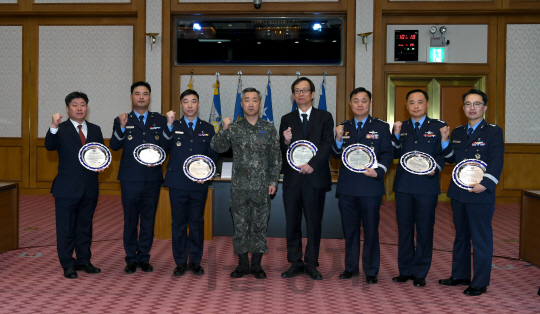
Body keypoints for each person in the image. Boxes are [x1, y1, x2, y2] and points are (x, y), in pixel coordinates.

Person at [210, 87, 281, 279]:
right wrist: (224, 130)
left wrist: (273, 180)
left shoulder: (268, 128)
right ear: (241, 104)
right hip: (239, 188)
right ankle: (242, 264)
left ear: (260, 104)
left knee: (259, 225)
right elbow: (217, 146)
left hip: (261, 187)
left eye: (254, 100)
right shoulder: (234, 128)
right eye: (247, 100)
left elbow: (276, 157)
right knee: (240, 226)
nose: (250, 104)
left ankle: (256, 265)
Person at [438, 89, 504, 296]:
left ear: (484, 107)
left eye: (476, 104)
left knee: (480, 238)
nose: (472, 108)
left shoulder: (493, 131)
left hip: (481, 192)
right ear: (463, 107)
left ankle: (480, 282)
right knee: (461, 236)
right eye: (468, 104)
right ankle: (460, 274)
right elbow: (451, 159)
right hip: (459, 192)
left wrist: (486, 183)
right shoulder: (457, 132)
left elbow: (497, 159)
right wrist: (445, 141)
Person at [109, 81, 173, 274]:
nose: (141, 97)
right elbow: (114, 145)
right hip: (130, 178)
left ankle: (144, 257)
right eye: (137, 94)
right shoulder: (122, 119)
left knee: (148, 219)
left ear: (150, 97)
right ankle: (131, 258)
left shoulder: (160, 120)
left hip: (152, 178)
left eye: (145, 94)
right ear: (131, 97)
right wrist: (121, 128)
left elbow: (166, 145)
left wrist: (169, 127)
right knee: (130, 220)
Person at [331, 87, 392, 284]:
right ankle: (350, 267)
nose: (359, 104)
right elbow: (334, 155)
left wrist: (379, 171)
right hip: (348, 187)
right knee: (350, 230)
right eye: (355, 101)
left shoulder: (381, 127)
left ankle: (371, 270)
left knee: (371, 230)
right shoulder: (343, 127)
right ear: (350, 104)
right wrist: (338, 139)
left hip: (370, 187)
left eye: (363, 101)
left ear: (370, 103)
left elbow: (387, 154)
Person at [45, 91, 104, 279]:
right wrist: (53, 126)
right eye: (75, 105)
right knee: (66, 227)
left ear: (87, 107)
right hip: (67, 188)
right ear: (67, 108)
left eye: (83, 105)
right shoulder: (60, 129)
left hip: (90, 186)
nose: (79, 108)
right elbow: (49, 145)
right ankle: (67, 263)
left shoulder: (95, 129)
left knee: (85, 226)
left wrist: (100, 164)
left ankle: (84, 260)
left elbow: (100, 153)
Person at [279, 77, 334, 280]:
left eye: (304, 90)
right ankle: (295, 262)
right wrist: (285, 141)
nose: (300, 94)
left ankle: (311, 263)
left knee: (313, 222)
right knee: (292, 223)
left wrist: (313, 164)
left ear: (312, 94)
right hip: (293, 180)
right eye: (297, 91)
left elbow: (328, 144)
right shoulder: (287, 118)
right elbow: (283, 148)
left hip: (315, 178)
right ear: (293, 95)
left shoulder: (325, 117)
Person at [391, 89, 447, 287]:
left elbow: (444, 155)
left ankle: (420, 272)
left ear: (427, 105)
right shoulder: (401, 127)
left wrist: (436, 168)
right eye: (412, 103)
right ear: (406, 105)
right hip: (404, 186)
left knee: (424, 230)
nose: (416, 106)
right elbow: (394, 153)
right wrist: (396, 136)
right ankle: (405, 270)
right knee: (404, 229)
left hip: (427, 186)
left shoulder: (439, 127)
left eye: (420, 102)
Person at [163, 89, 217, 277]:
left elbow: (212, 155)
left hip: (198, 183)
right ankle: (180, 261)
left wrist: (207, 173)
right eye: (186, 102)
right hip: (177, 183)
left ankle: (194, 260)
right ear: (180, 105)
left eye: (193, 101)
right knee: (178, 223)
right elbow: (163, 147)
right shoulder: (172, 126)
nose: (190, 105)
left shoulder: (208, 128)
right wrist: (168, 126)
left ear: (198, 104)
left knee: (196, 222)